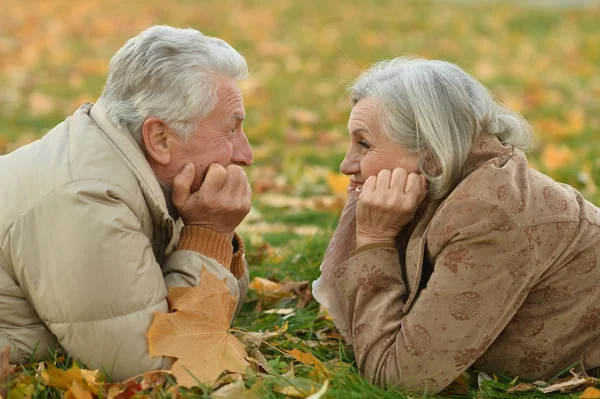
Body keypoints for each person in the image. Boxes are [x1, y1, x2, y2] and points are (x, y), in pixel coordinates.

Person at [313, 57, 600, 394]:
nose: (347, 165)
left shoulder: (487, 213)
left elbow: (401, 378)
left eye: (364, 144)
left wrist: (375, 239)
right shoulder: (449, 186)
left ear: (431, 149)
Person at [0, 25, 253, 380]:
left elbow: (211, 318)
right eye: (230, 130)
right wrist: (208, 234)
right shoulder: (87, 201)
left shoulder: (136, 168)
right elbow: (150, 366)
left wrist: (214, 234)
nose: (245, 154)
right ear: (160, 138)